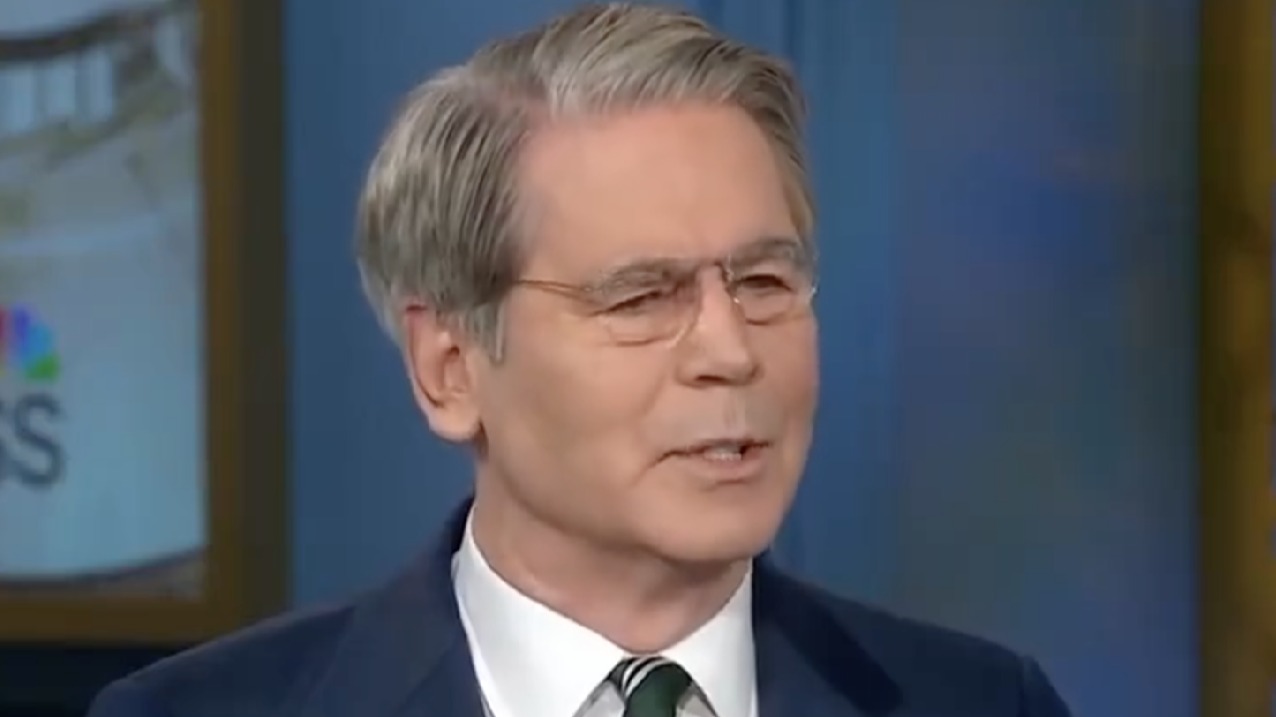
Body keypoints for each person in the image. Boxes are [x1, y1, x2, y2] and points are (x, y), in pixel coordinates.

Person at [87, 3, 1073, 716]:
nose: (730, 351)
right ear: (449, 366)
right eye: (642, 297)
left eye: (765, 282)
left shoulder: (986, 701)